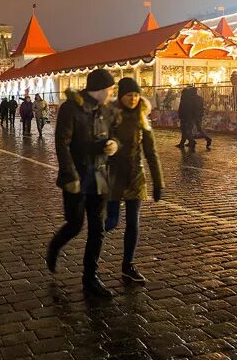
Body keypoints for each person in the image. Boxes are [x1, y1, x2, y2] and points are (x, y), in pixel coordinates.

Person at [47, 68, 119, 298]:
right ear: (98, 89)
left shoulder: (106, 110)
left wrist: (114, 145)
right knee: (75, 224)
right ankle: (55, 246)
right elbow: (62, 143)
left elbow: (114, 134)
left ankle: (91, 278)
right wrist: (69, 176)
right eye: (109, 89)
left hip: (99, 175)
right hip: (78, 176)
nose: (110, 93)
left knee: (97, 229)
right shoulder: (72, 108)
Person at [105, 78, 163, 285]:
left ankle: (128, 265)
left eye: (136, 95)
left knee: (133, 222)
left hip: (136, 176)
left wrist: (158, 183)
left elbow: (151, 153)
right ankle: (91, 261)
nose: (133, 98)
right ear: (121, 96)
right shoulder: (111, 117)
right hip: (114, 175)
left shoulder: (142, 119)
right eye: (129, 95)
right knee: (110, 221)